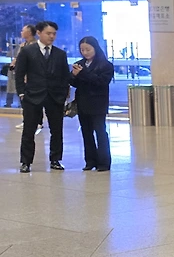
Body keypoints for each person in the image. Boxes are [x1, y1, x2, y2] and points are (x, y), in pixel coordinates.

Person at [15, 21, 70, 174]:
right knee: (29, 130)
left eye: (54, 34)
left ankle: (55, 159)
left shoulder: (60, 54)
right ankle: (26, 161)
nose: (52, 36)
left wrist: (63, 95)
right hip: (32, 96)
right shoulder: (28, 51)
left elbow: (64, 76)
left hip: (54, 97)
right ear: (39, 33)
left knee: (56, 130)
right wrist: (22, 93)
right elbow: (19, 74)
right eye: (48, 33)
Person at [69, 36, 114, 172]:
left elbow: (101, 82)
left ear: (95, 48)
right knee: (86, 133)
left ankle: (104, 162)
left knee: (100, 132)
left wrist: (82, 73)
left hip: (98, 103)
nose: (85, 53)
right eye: (82, 50)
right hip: (83, 103)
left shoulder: (105, 65)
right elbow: (74, 83)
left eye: (88, 49)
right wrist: (74, 75)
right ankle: (90, 161)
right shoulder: (79, 64)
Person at [5, 25, 32, 107]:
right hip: (20, 71)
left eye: (23, 31)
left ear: (29, 32)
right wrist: (13, 64)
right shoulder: (23, 45)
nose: (21, 32)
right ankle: (12, 102)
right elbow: (18, 57)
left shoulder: (34, 46)